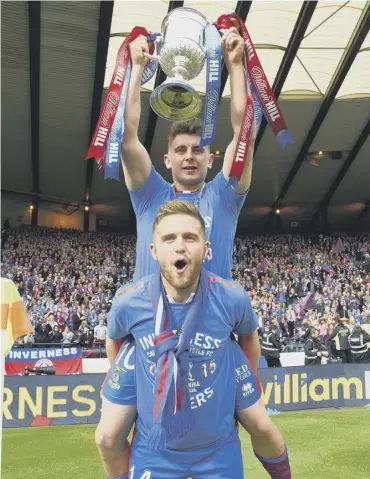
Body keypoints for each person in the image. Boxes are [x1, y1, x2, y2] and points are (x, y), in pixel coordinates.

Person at [100, 19, 263, 477]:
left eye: (199, 148)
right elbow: (128, 136)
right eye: (181, 149)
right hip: (147, 340)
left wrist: (236, 69)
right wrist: (134, 69)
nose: (191, 155)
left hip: (209, 342)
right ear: (167, 158)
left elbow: (243, 133)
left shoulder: (223, 197)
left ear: (210, 157)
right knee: (112, 439)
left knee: (216, 449)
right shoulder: (150, 194)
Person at [97, 202, 290, 479]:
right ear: (154, 250)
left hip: (218, 448)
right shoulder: (128, 300)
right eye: (169, 238)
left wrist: (247, 380)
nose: (180, 246)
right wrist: (131, 380)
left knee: (262, 426)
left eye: (190, 237)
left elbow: (249, 337)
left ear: (206, 248)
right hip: (155, 447)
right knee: (105, 437)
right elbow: (115, 341)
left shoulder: (232, 297)